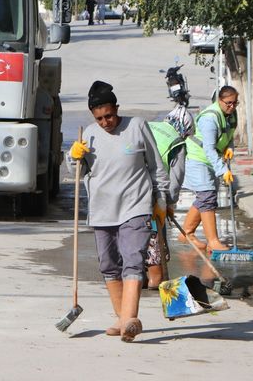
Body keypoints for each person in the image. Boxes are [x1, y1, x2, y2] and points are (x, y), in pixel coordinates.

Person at [69, 81, 170, 342]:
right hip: (102, 209)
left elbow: (156, 166)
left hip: (135, 205)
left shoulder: (136, 126)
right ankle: (122, 318)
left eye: (109, 115)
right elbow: (75, 173)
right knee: (108, 264)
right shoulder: (88, 134)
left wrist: (161, 199)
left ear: (117, 108)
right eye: (100, 118)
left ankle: (129, 320)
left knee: (133, 258)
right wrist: (73, 157)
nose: (105, 122)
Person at [179, 85, 239, 252]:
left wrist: (230, 147)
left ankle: (187, 233)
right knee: (207, 196)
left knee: (206, 197)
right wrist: (223, 170)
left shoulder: (231, 114)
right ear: (219, 101)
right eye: (228, 103)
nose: (232, 106)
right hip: (198, 158)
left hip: (211, 160)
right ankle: (213, 241)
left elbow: (229, 133)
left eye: (235, 103)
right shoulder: (210, 119)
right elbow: (209, 148)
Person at [144, 107, 192, 289]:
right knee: (157, 236)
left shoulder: (149, 126)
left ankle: (138, 278)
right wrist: (169, 203)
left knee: (136, 234)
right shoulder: (177, 142)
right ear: (184, 129)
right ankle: (158, 281)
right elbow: (176, 178)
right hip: (155, 191)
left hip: (132, 187)